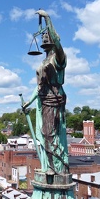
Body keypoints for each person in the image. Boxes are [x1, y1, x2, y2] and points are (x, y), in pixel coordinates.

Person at [22, 9, 69, 175]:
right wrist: (29, 102)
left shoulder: (58, 58)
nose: (45, 37)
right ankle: (47, 165)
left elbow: (57, 41)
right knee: (43, 135)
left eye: (47, 35)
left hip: (53, 99)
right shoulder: (44, 60)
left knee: (50, 134)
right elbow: (40, 86)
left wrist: (48, 18)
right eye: (44, 35)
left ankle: (53, 168)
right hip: (43, 100)